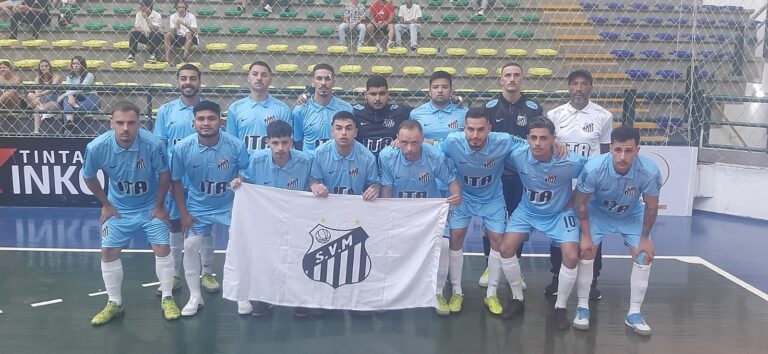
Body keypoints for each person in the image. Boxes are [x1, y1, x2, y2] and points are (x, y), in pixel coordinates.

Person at [438, 108, 566, 315]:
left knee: (498, 240)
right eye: (470, 129)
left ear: (489, 128)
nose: (475, 135)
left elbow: (534, 144)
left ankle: (491, 294)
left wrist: (555, 142)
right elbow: (429, 150)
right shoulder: (452, 142)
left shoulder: (503, 141)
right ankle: (457, 291)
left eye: (481, 129)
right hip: (463, 197)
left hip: (492, 198)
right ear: (464, 129)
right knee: (455, 237)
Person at [82, 101, 180, 325]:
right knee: (108, 252)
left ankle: (167, 297)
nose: (125, 128)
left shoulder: (153, 144)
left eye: (131, 123)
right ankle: (115, 302)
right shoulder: (97, 147)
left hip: (149, 207)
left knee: (162, 248)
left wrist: (159, 206)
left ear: (140, 124)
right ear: (111, 124)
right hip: (119, 209)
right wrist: (106, 204)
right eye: (120, 123)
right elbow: (88, 176)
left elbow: (164, 175)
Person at [498, 118, 588, 325]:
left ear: (553, 140)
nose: (538, 143)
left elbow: (590, 173)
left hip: (559, 213)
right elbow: (495, 142)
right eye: (533, 138)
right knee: (505, 248)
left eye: (544, 138)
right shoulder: (518, 154)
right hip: (527, 210)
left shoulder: (570, 161)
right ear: (527, 139)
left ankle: (560, 307)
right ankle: (517, 299)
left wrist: (576, 196)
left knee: (572, 257)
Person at [574, 126, 661, 336]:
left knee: (643, 256)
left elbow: (651, 207)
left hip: (631, 215)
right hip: (598, 213)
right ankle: (582, 307)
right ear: (610, 148)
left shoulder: (649, 171)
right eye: (618, 150)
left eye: (628, 151)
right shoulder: (594, 168)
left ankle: (634, 313)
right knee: (586, 251)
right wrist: (585, 236)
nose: (622, 156)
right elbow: (581, 203)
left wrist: (645, 238)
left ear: (637, 150)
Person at [170, 100, 249, 317]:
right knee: (191, 245)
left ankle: (242, 294)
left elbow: (246, 169)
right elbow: (175, 181)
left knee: (241, 244)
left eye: (211, 118)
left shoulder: (235, 145)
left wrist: (239, 178)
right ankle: (195, 296)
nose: (206, 123)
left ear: (220, 121)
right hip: (198, 207)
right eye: (201, 119)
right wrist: (184, 214)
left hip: (229, 205)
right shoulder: (181, 148)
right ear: (193, 122)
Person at [231, 119, 313, 317]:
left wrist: (315, 185)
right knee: (264, 259)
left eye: (285, 142)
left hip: (296, 220)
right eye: (275, 143)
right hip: (266, 221)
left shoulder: (305, 161)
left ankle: (300, 299)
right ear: (267, 142)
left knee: (298, 259)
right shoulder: (258, 159)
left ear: (292, 142)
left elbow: (312, 180)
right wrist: (239, 180)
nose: (280, 148)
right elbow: (246, 177)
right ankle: (264, 298)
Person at [379, 120, 461, 315]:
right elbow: (386, 190)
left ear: (423, 140)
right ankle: (393, 289)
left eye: (415, 142)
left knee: (443, 245)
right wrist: (386, 218)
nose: (409, 148)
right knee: (392, 245)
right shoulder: (387, 156)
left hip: (428, 213)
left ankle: (438, 292)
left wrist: (456, 196)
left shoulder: (434, 155)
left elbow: (451, 181)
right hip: (401, 212)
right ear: (397, 139)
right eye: (404, 142)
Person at [546, 69, 614, 301]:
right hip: (562, 183)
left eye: (583, 84)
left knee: (592, 232)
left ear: (590, 88)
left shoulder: (603, 116)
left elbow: (606, 153)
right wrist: (555, 140)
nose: (578, 88)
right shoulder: (554, 114)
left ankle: (592, 280)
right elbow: (545, 141)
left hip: (591, 186)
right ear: (568, 87)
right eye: (574, 83)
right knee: (560, 231)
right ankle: (557, 277)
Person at [154, 64, 220, 296]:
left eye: (193, 78)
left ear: (200, 82)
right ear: (177, 82)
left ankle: (208, 271)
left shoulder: (207, 111)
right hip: (176, 180)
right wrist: (166, 180)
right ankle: (174, 274)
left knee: (205, 224)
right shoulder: (166, 111)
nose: (188, 82)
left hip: (202, 179)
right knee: (174, 224)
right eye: (183, 78)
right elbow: (159, 147)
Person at [479, 62, 543, 288]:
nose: (512, 79)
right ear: (501, 80)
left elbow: (538, 139)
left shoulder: (534, 108)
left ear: (522, 79)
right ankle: (490, 265)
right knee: (491, 220)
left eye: (516, 75)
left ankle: (515, 265)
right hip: (495, 174)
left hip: (522, 175)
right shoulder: (490, 107)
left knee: (519, 221)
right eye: (508, 75)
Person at [226, 61, 292, 155]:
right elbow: (231, 142)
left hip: (271, 165)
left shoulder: (282, 109)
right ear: (248, 78)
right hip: (245, 166)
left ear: (270, 80)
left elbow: (287, 142)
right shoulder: (235, 108)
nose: (259, 78)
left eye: (264, 75)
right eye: (255, 74)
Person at [292, 63, 353, 154]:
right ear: (313, 82)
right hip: (311, 165)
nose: (323, 83)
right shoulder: (300, 110)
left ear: (333, 82)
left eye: (327, 79)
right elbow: (297, 141)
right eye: (319, 78)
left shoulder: (346, 109)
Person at [353, 75, 412, 156]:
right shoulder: (355, 112)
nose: (378, 98)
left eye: (382, 94)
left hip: (390, 163)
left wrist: (403, 140)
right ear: (365, 94)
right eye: (373, 94)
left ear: (388, 94)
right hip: (363, 163)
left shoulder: (401, 112)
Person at [409, 71, 467, 143]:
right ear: (429, 91)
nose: (440, 90)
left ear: (451, 91)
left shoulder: (464, 113)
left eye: (445, 87)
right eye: (435, 87)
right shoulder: (416, 114)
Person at [56, 56, 100, 132]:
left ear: (83, 65)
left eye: (78, 64)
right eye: (73, 64)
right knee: (67, 101)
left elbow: (81, 89)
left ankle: (67, 129)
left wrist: (65, 95)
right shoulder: (70, 77)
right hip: (75, 101)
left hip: (90, 100)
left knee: (66, 103)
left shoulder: (89, 76)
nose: (75, 65)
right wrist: (70, 96)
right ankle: (70, 122)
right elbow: (69, 89)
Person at [26, 59, 62, 134]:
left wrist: (36, 95)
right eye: (42, 66)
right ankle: (36, 131)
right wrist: (36, 98)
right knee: (30, 95)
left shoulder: (56, 77)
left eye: (46, 66)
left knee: (37, 108)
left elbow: (51, 89)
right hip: (42, 101)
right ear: (39, 68)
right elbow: (37, 91)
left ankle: (42, 111)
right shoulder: (38, 78)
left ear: (50, 67)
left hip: (54, 100)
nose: (44, 68)